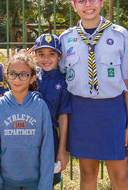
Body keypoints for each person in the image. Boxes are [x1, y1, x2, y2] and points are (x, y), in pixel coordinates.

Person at [59, 0, 128, 189]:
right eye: (81, 1)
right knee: (88, 174)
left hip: (112, 111)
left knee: (120, 175)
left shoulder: (119, 34)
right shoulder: (66, 39)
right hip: (81, 112)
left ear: (102, 1)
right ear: (74, 6)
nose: (88, 5)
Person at [0, 53, 54, 190]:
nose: (17, 79)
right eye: (13, 74)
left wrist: (45, 185)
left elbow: (47, 148)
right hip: (7, 183)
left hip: (35, 183)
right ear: (6, 75)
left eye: (23, 74)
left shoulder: (40, 106)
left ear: (32, 78)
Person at [34, 33, 71, 187]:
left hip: (50, 136)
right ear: (35, 55)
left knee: (48, 180)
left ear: (59, 56)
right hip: (28, 133)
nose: (46, 59)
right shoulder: (31, 76)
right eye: (41, 54)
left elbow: (63, 117)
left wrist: (62, 150)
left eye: (51, 54)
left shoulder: (63, 81)